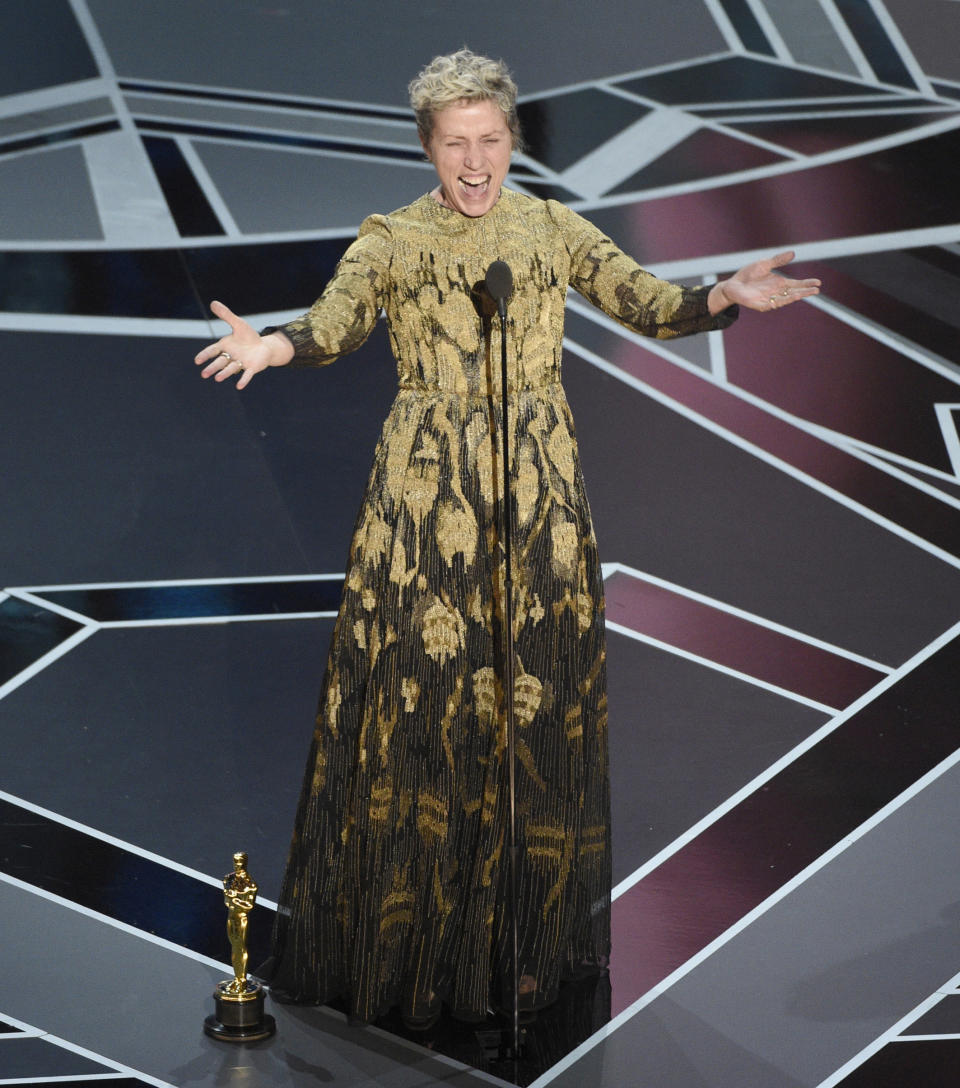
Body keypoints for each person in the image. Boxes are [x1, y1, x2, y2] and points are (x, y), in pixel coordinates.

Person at [195, 49, 820, 1029]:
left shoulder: (549, 227)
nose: (476, 163)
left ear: (513, 141)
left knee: (525, 716)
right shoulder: (391, 237)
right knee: (431, 712)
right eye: (457, 145)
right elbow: (337, 318)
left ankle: (516, 946)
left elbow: (645, 302)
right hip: (424, 501)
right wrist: (269, 344)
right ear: (428, 148)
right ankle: (420, 943)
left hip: (536, 498)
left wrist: (723, 294)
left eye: (491, 141)